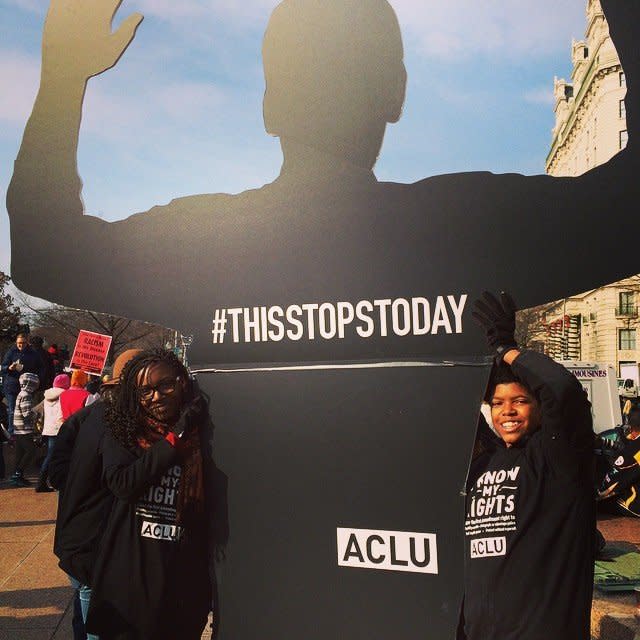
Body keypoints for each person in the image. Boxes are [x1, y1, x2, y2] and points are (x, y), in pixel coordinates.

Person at [6, 0, 640, 367]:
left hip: (264, 592)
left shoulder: (206, 244)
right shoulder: (466, 223)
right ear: (394, 94)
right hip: (433, 594)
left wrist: (63, 78)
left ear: (269, 104)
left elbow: (45, 252)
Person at [459, 292, 595, 640]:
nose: (508, 411)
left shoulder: (557, 458)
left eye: (521, 401)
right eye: (498, 403)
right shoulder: (482, 460)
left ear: (538, 407)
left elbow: (561, 391)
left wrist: (507, 348)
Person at [84, 349, 217, 639]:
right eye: (146, 391)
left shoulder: (202, 433)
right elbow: (124, 483)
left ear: (182, 382)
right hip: (132, 576)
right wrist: (174, 438)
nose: (157, 396)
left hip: (181, 577)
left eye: (165, 385)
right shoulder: (123, 431)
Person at [52, 348, 142, 640]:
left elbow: (57, 475)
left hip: (75, 541)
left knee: (84, 616)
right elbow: (124, 483)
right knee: (99, 628)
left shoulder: (81, 420)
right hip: (95, 548)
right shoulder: (120, 425)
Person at [1, 333, 44, 435]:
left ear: (27, 342)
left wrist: (37, 379)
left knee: (26, 410)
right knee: (12, 410)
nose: (21, 345)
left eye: (23, 343)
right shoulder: (11, 352)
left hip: (27, 387)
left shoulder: (34, 354)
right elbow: (3, 367)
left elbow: (41, 368)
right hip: (12, 385)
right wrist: (9, 368)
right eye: (19, 343)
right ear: (16, 342)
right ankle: (12, 433)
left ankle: (26, 431)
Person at [35, 372, 70, 492]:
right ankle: (42, 482)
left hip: (48, 429)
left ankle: (42, 481)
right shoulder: (64, 395)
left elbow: (36, 410)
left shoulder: (47, 396)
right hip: (59, 428)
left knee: (50, 456)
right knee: (53, 456)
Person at [10, 372, 41, 487]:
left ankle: (17, 476)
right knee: (31, 452)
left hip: (18, 429)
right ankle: (18, 474)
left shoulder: (21, 393)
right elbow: (26, 414)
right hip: (24, 430)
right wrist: (37, 413)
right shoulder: (26, 395)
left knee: (20, 454)